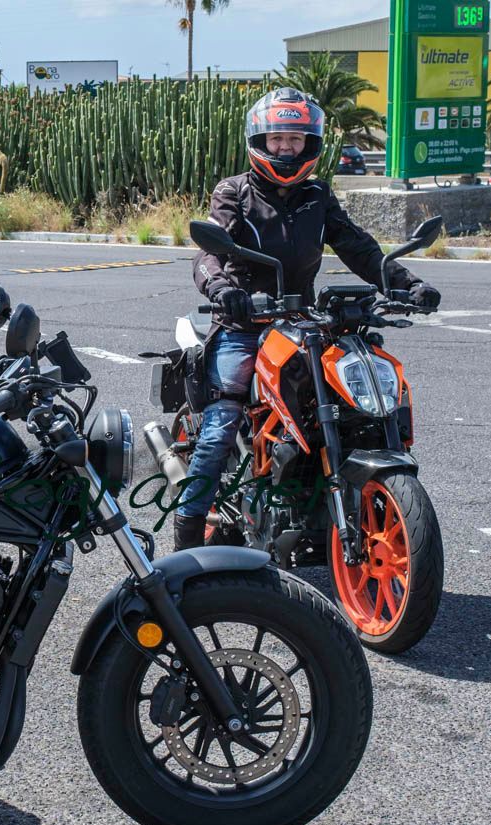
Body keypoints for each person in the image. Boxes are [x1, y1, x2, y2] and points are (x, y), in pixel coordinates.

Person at [177, 87, 441, 551]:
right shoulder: (233, 192)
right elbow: (209, 251)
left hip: (303, 322)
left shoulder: (319, 195)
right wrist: (223, 290)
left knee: (356, 395)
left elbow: (359, 248)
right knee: (221, 424)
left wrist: (407, 283)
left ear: (310, 144)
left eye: (295, 140)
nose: (286, 148)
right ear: (260, 139)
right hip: (245, 323)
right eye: (278, 138)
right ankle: (186, 545)